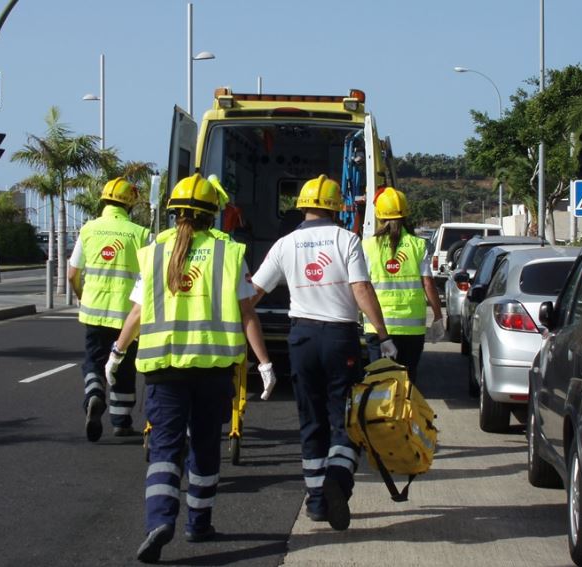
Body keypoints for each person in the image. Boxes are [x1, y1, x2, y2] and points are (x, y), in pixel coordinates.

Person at [105, 174, 276, 564]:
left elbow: (137, 312)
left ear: (173, 213)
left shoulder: (153, 253)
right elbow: (247, 314)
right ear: (212, 215)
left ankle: (159, 521)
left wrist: (117, 352)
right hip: (213, 370)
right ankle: (198, 524)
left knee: (165, 447)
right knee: (203, 446)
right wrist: (264, 364)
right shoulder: (229, 253)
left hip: (164, 369)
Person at [250, 174, 397, 532]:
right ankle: (338, 478)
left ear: (302, 206)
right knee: (344, 419)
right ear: (337, 208)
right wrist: (383, 334)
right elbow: (360, 288)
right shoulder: (345, 239)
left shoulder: (284, 244)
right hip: (339, 339)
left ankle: (316, 501)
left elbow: (252, 293)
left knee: (311, 421)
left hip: (300, 338)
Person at [68, 177, 150, 442]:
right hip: (127, 315)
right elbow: (150, 275)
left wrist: (83, 296)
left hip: (94, 310)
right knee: (124, 367)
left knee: (94, 360)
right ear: (130, 205)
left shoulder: (88, 230)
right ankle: (121, 421)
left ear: (103, 200)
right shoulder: (140, 234)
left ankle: (94, 394)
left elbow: (72, 274)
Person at [362, 187, 444, 384]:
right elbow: (427, 283)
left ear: (379, 216)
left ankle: (381, 415)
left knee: (379, 383)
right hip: (411, 330)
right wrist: (438, 316)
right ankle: (404, 414)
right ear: (406, 214)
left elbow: (361, 286)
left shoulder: (367, 246)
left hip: (378, 328)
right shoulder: (418, 245)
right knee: (407, 382)